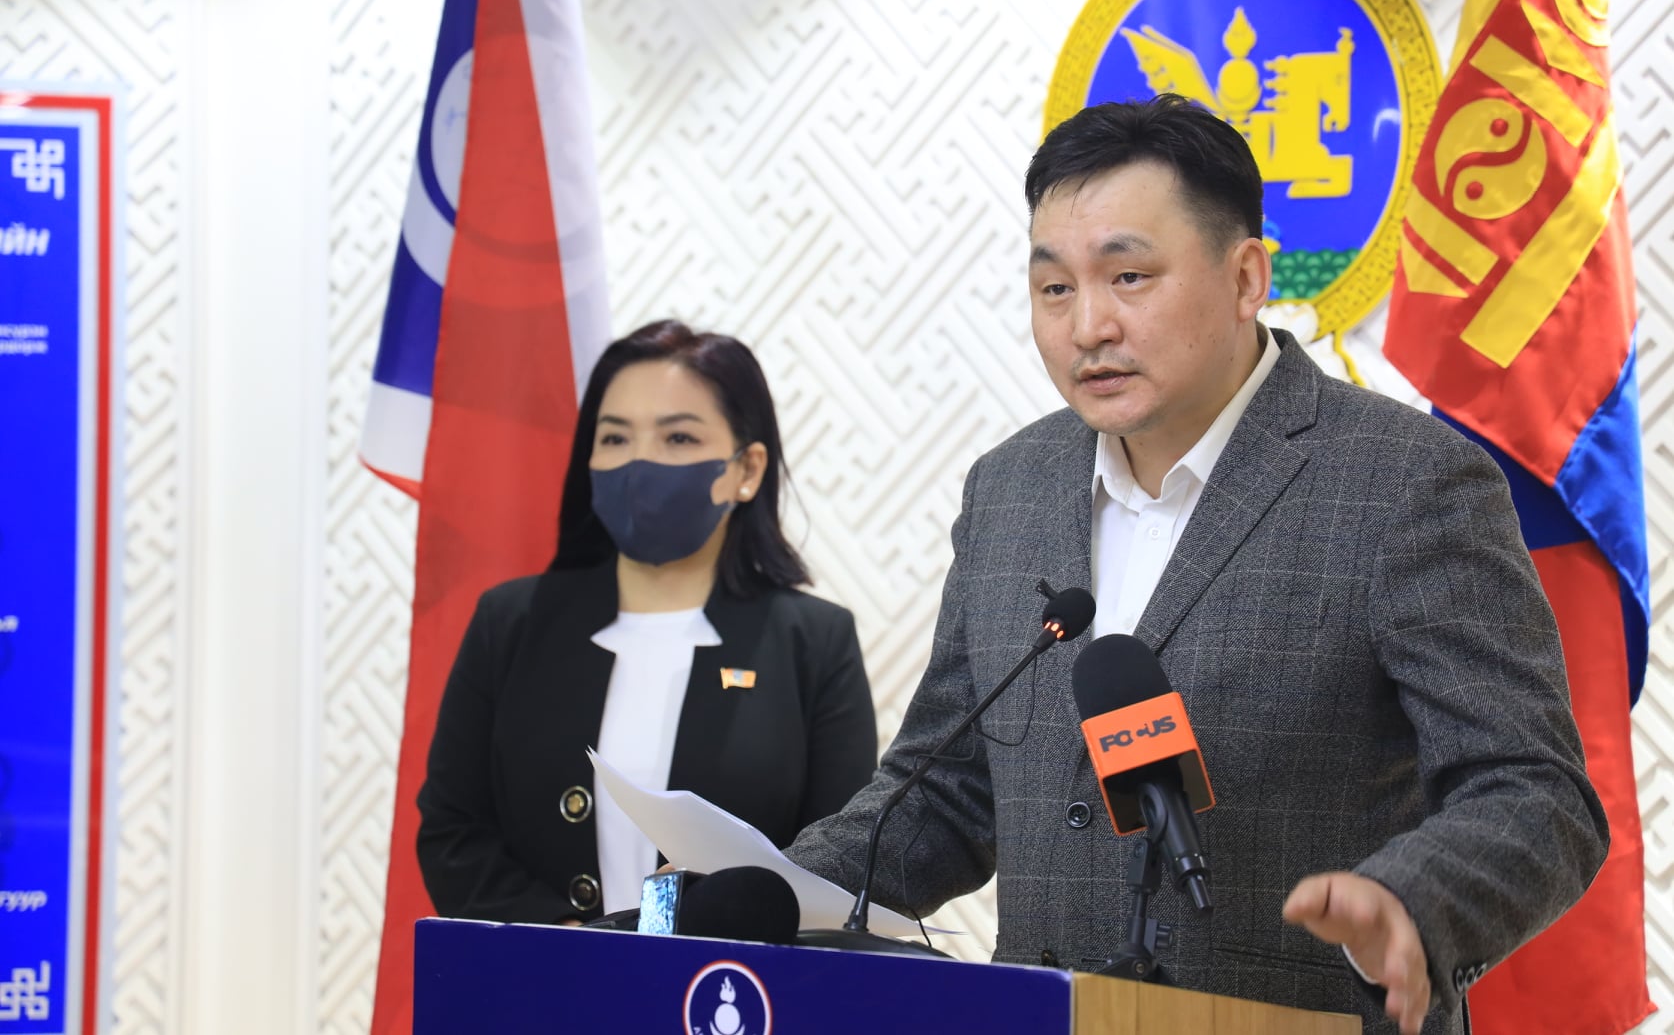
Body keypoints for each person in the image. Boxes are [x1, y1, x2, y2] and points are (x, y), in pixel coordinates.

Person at [786, 95, 1608, 1035]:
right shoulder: (1010, 488)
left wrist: (1413, 902)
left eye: (1129, 276)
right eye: (1054, 289)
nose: (1088, 325)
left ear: (1246, 275)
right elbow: (946, 788)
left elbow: (1536, 792)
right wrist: (755, 894)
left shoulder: (1405, 482)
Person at [417, 319, 878, 925]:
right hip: (539, 976)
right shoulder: (510, 623)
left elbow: (839, 860)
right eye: (614, 438)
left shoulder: (812, 642)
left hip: (731, 980)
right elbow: (453, 833)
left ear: (747, 470)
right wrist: (571, 948)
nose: (639, 462)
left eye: (678, 438)